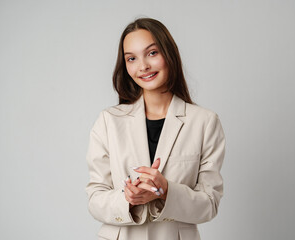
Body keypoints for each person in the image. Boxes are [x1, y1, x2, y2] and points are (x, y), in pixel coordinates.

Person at [85, 17, 226, 240]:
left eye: (152, 53)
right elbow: (95, 199)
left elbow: (209, 204)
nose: (143, 66)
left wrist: (167, 190)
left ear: (169, 54)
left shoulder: (204, 122)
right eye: (131, 58)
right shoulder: (108, 121)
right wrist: (127, 199)